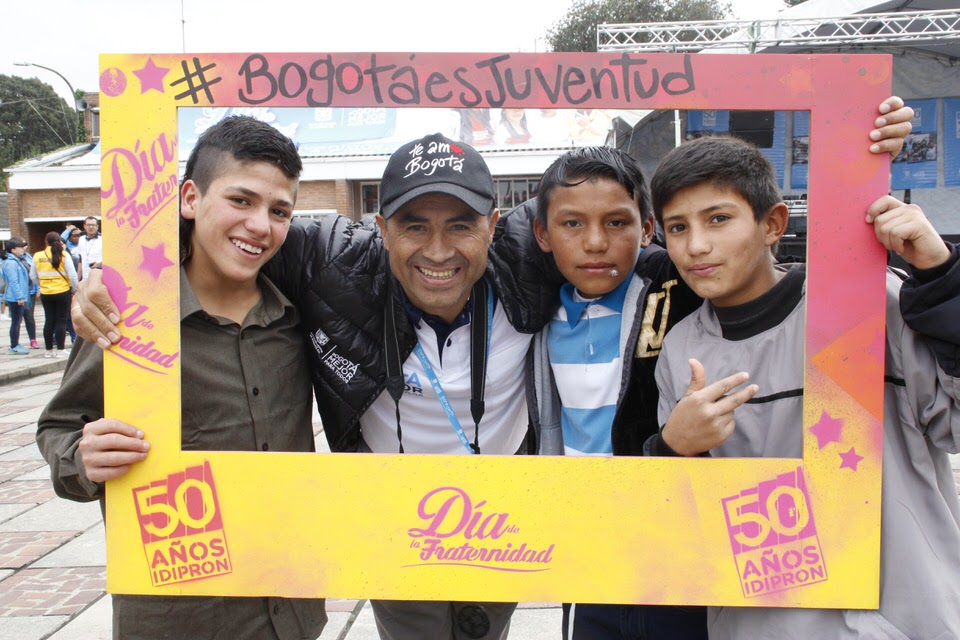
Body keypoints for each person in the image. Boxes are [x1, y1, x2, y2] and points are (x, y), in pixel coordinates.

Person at [71, 100, 914, 639]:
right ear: (380, 228)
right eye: (414, 226)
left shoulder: (537, 254)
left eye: (461, 226)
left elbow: (673, 248)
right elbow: (227, 229)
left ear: (500, 227)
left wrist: (862, 146)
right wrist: (124, 272)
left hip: (515, 522)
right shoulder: (326, 257)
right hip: (389, 526)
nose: (438, 250)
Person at [648, 134, 960, 639]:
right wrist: (672, 449)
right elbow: (684, 522)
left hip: (906, 615)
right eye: (677, 227)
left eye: (718, 219)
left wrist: (942, 278)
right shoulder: (681, 349)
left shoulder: (867, 304)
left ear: (773, 224)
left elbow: (954, 426)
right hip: (760, 624)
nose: (696, 245)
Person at [36, 115, 328, 640]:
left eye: (279, 211)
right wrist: (82, 456)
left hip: (290, 608)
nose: (260, 226)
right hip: (179, 615)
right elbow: (59, 426)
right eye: (240, 200)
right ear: (190, 198)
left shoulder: (299, 316)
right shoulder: (129, 318)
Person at [528, 147, 706, 639]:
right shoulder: (533, 313)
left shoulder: (679, 290)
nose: (594, 242)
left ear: (646, 229)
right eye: (571, 224)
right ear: (542, 233)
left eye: (616, 222)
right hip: (589, 546)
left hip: (678, 546)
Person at [31, 232, 77, 357]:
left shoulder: (37, 256)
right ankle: (60, 350)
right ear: (59, 241)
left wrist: (41, 284)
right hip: (62, 291)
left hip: (46, 292)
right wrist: (74, 288)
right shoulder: (64, 255)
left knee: (49, 320)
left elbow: (33, 275)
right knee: (61, 320)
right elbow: (72, 275)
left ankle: (49, 350)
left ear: (46, 242)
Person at [3, 238, 33, 355]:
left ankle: (16, 344)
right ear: (13, 249)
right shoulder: (11, 263)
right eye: (20, 247)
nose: (22, 249)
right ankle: (14, 345)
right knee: (16, 322)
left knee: (17, 321)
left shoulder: (18, 261)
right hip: (15, 297)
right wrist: (19, 297)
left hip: (19, 296)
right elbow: (14, 281)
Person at [18, 248, 41, 349]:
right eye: (21, 246)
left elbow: (34, 274)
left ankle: (33, 339)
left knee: (29, 316)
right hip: (19, 293)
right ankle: (15, 343)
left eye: (25, 246)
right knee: (17, 319)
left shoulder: (28, 257)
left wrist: (37, 288)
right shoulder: (10, 261)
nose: (24, 248)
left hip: (30, 291)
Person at [76, 215, 103, 280]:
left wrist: (99, 264)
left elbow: (110, 260)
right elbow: (80, 260)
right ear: (84, 226)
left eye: (93, 225)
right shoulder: (81, 239)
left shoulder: (103, 239)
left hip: (99, 278)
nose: (91, 227)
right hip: (85, 278)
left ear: (97, 227)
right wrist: (77, 280)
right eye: (88, 225)